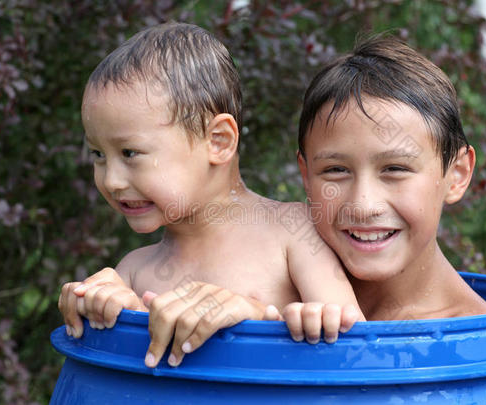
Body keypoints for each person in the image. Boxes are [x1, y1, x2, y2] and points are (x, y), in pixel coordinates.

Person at [57, 22, 364, 369]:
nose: (111, 180)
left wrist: (258, 319)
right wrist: (100, 308)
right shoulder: (133, 273)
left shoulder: (293, 231)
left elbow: (357, 352)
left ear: (218, 141)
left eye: (130, 153)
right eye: (98, 154)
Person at [286, 33, 486, 328]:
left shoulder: (480, 346)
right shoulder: (277, 293)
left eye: (395, 168)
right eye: (336, 170)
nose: (363, 205)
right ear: (306, 176)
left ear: (457, 174)